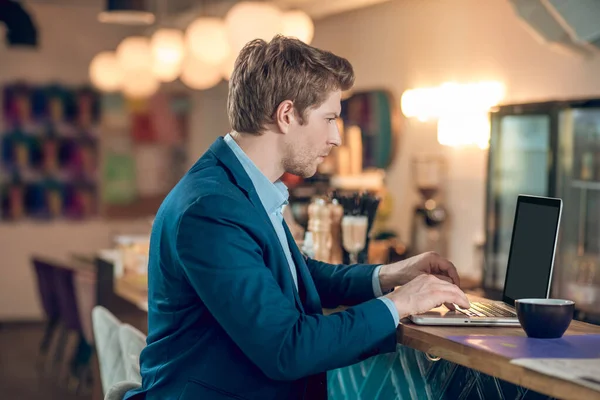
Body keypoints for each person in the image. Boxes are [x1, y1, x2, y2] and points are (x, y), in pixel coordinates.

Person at [124, 35, 470, 400]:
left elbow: (295, 275)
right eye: (330, 118)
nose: (337, 138)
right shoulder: (212, 209)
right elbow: (287, 349)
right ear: (287, 115)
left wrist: (391, 275)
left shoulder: (238, 187)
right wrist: (400, 304)